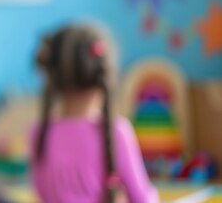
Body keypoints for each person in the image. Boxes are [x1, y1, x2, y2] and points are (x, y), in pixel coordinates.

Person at [29, 23, 158, 203]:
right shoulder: (118, 132)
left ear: (52, 76)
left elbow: (41, 192)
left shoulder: (39, 133)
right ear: (105, 75)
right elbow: (144, 199)